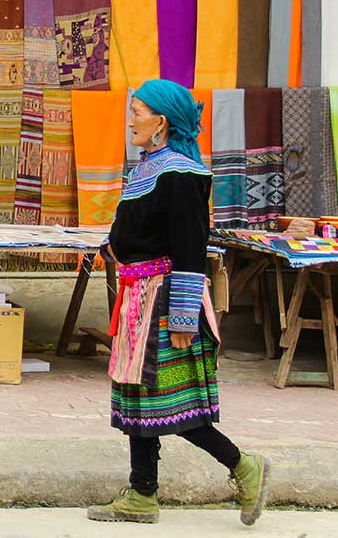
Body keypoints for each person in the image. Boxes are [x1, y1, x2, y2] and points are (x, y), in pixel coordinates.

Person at [88, 79, 269, 526]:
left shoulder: (184, 174)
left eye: (137, 111)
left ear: (161, 122)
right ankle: (141, 494)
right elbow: (139, 230)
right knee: (137, 397)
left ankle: (244, 466)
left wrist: (184, 316)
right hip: (138, 296)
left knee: (171, 402)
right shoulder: (148, 167)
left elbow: (191, 248)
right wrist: (111, 248)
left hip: (166, 299)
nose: (131, 119)